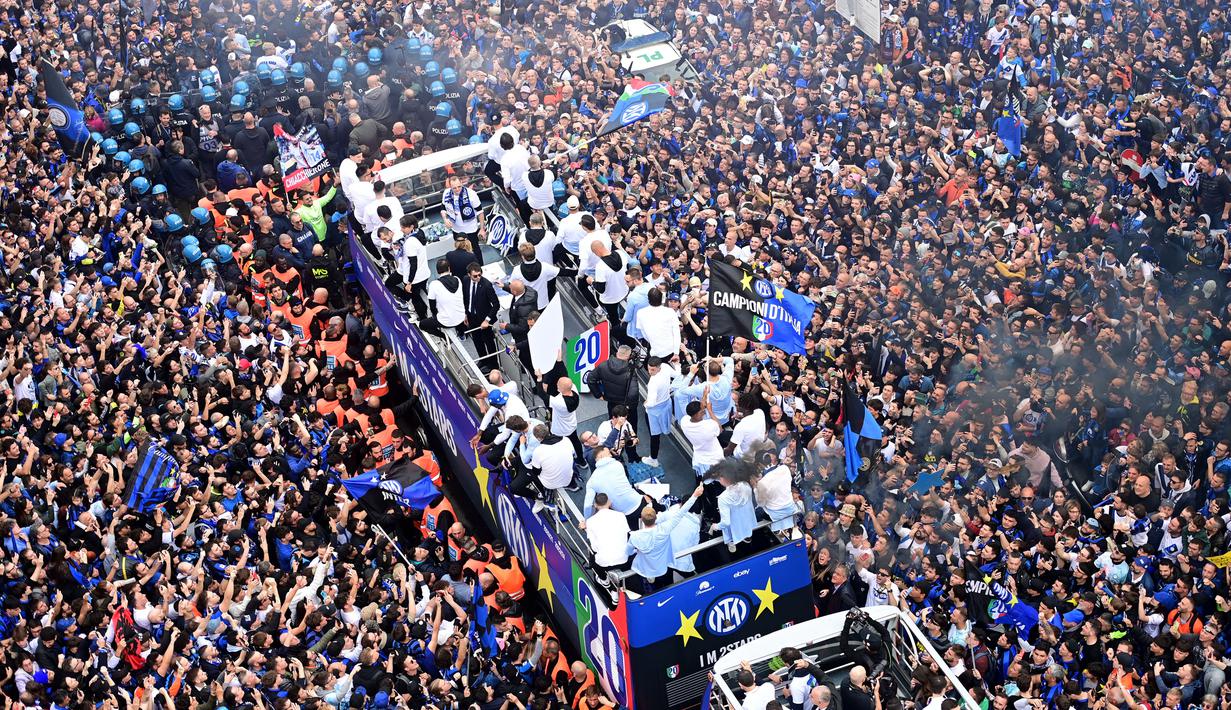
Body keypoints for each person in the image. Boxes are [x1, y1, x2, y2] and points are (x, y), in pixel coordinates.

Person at [626, 485, 703, 594]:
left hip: (662, 564)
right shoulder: (667, 528)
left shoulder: (636, 536)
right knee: (689, 577)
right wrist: (695, 496)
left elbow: (629, 552)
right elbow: (694, 543)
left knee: (666, 585)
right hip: (681, 559)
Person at [581, 493, 632, 578]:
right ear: (609, 502)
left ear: (595, 505)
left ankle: (603, 579)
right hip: (623, 559)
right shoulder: (621, 515)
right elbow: (627, 534)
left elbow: (594, 548)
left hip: (603, 563)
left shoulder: (590, 521)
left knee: (592, 554)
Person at [643, 356, 679, 467]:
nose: (650, 372)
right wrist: (677, 364)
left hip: (654, 411)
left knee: (654, 435)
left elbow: (651, 403)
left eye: (652, 370)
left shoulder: (653, 383)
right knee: (662, 429)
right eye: (649, 369)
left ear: (659, 368)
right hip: (666, 404)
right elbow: (677, 375)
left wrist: (646, 404)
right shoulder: (665, 366)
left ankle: (653, 459)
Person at [462, 261, 501, 362]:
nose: (478, 277)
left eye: (480, 275)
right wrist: (465, 314)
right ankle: (483, 361)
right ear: (469, 275)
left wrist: (487, 320)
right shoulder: (465, 280)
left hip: (484, 318)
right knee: (477, 341)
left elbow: (496, 304)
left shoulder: (486, 285)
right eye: (475, 276)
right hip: (472, 317)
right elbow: (466, 298)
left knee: (489, 342)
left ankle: (493, 364)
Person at [441, 174, 484, 261]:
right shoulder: (446, 193)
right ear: (450, 187)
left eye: (459, 187)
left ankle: (480, 266)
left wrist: (482, 229)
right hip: (456, 229)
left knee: (475, 249)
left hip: (470, 229)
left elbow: (480, 212)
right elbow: (443, 208)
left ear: (461, 183)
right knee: (460, 251)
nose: (457, 189)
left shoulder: (471, 194)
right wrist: (445, 219)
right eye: (454, 188)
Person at [680, 396, 723, 479]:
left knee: (702, 479)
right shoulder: (709, 426)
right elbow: (720, 429)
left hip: (699, 457)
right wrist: (710, 411)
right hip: (714, 458)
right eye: (703, 411)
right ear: (697, 414)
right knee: (717, 481)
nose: (704, 412)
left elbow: (690, 415)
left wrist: (703, 400)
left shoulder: (684, 422)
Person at [425, 257, 466, 336]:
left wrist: (435, 315)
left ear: (437, 271)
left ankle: (443, 336)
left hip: (445, 321)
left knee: (422, 325)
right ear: (449, 268)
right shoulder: (457, 279)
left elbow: (432, 306)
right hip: (461, 317)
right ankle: (461, 334)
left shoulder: (434, 284)